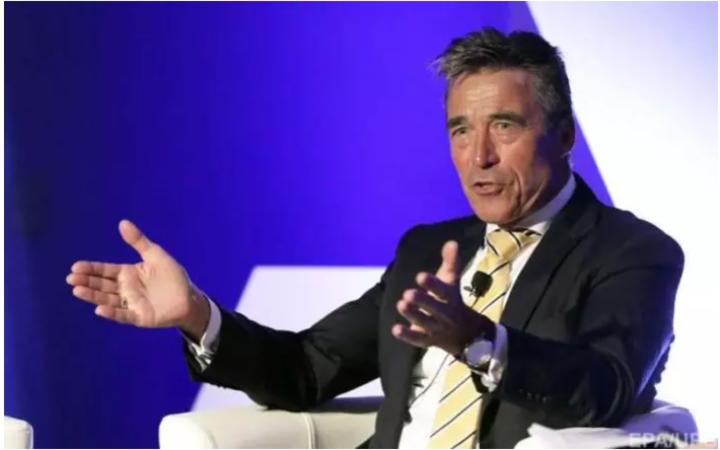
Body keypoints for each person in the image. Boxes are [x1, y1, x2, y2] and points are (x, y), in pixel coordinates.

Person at [67, 28, 683, 448]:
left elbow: (605, 389)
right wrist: (197, 316)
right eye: (460, 130)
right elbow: (307, 369)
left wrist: (477, 339)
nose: (479, 157)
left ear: (565, 135)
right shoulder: (428, 251)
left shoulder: (633, 252)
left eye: (504, 126)